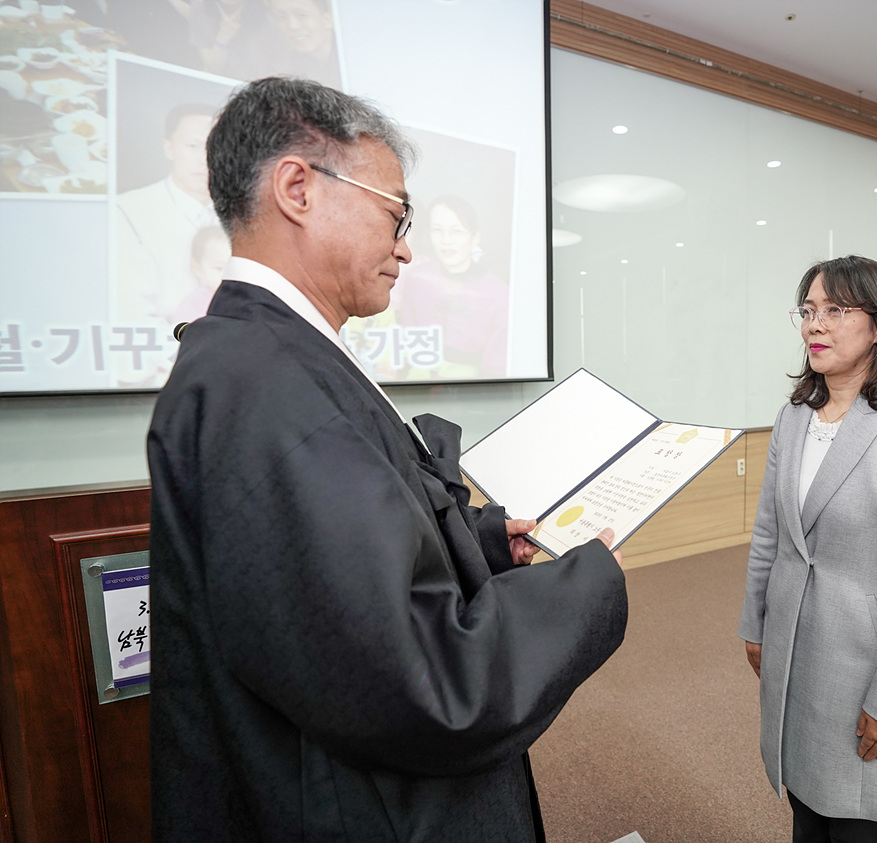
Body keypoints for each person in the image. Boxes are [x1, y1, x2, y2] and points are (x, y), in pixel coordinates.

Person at [147, 77, 628, 841]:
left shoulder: (272, 355)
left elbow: (344, 572)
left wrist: (481, 543)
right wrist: (588, 586)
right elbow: (423, 682)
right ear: (298, 188)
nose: (406, 246)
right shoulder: (268, 385)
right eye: (395, 213)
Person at [738, 256, 877, 842]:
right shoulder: (794, 418)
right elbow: (770, 534)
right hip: (792, 645)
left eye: (836, 310)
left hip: (859, 661)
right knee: (806, 806)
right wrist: (756, 624)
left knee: (856, 818)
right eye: (808, 310)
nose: (815, 324)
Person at [114, 103, 220, 330]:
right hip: (159, 344)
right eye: (193, 146)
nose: (205, 159)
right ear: (169, 148)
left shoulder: (250, 213)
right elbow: (130, 310)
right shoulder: (126, 210)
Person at [393, 194, 510, 379]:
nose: (446, 240)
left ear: (475, 237)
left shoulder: (498, 293)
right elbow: (406, 340)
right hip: (417, 380)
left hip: (475, 387)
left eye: (457, 231)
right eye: (437, 230)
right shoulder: (416, 278)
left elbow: (496, 367)